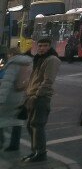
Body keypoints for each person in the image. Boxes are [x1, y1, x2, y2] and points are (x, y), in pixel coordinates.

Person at [22, 35, 60, 163]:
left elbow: (48, 81)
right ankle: (35, 151)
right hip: (32, 96)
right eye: (40, 46)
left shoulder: (52, 59)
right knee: (31, 125)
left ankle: (41, 153)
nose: (42, 48)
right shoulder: (39, 58)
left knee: (37, 125)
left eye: (45, 46)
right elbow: (34, 78)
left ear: (50, 47)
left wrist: (37, 95)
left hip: (41, 97)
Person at [0, 50, 32, 152]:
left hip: (10, 98)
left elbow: (6, 84)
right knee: (17, 121)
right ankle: (14, 145)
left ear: (11, 54)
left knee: (1, 120)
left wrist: (1, 99)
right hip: (22, 97)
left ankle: (1, 142)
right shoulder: (29, 63)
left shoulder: (13, 64)